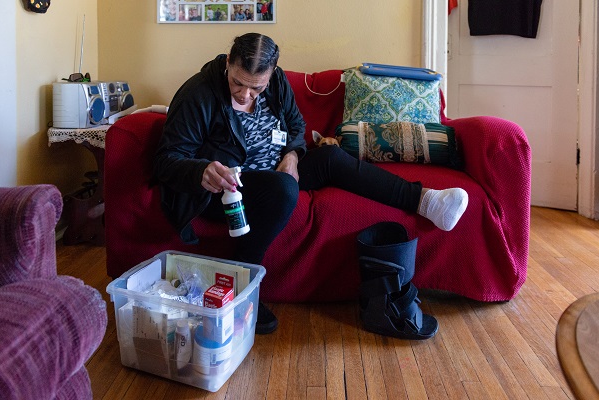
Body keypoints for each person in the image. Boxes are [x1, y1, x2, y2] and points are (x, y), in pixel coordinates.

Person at [153, 33, 468, 335]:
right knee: (283, 189)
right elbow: (167, 159)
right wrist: (202, 171)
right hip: (225, 189)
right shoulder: (198, 94)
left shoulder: (277, 83)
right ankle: (242, 289)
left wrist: (292, 153)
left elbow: (295, 124)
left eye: (256, 88)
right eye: (238, 82)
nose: (245, 94)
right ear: (228, 65)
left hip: (276, 171)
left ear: (271, 74)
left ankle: (426, 202)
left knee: (330, 156)